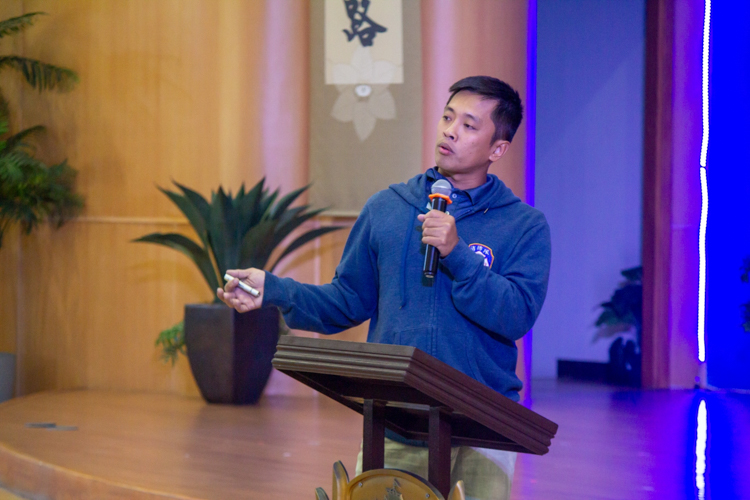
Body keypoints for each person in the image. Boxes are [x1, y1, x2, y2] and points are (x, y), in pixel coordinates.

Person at [218, 75, 551, 500]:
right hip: (396, 418)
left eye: (469, 125)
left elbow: (516, 314)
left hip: (482, 426)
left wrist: (458, 255)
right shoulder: (388, 208)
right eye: (448, 117)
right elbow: (345, 301)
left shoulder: (523, 225)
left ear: (497, 149)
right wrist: (273, 290)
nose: (450, 130)